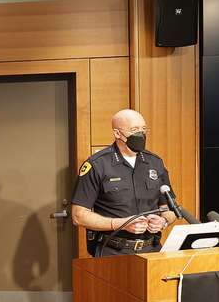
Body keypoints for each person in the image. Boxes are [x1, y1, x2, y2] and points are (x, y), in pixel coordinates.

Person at [71, 109, 178, 257]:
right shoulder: (97, 165)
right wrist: (121, 224)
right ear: (117, 133)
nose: (140, 134)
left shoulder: (155, 163)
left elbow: (169, 209)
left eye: (143, 129)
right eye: (134, 130)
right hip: (113, 251)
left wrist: (164, 221)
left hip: (152, 251)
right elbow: (79, 216)